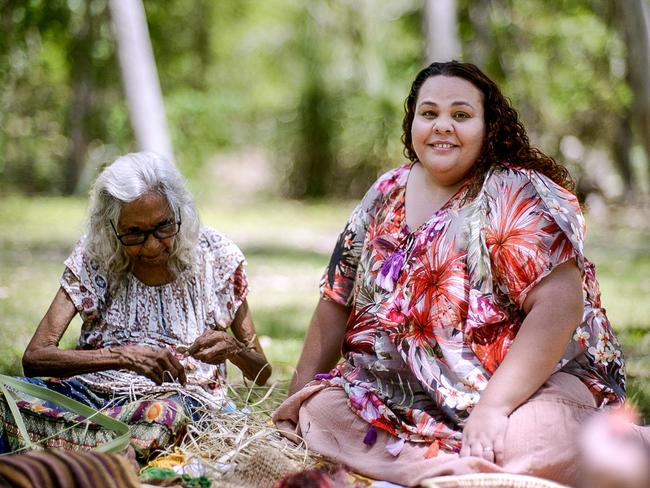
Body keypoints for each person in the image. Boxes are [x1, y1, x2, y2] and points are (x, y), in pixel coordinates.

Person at [273, 61, 649, 487]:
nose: (442, 127)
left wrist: (492, 408)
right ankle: (460, 472)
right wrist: (291, 406)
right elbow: (335, 301)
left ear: (489, 127)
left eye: (461, 115)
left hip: (521, 392)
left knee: (534, 436)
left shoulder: (515, 191)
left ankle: (462, 465)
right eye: (429, 113)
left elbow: (560, 306)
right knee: (319, 413)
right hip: (396, 400)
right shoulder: (385, 192)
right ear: (412, 121)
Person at [0, 151, 271, 458]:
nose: (153, 245)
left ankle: (76, 452)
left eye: (164, 226)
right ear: (111, 228)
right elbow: (35, 357)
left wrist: (233, 348)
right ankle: (110, 451)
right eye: (134, 234)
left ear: (180, 212)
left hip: (175, 404)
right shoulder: (95, 255)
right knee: (4, 397)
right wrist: (122, 357)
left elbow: (262, 373)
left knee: (165, 416)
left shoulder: (217, 257)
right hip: (89, 398)